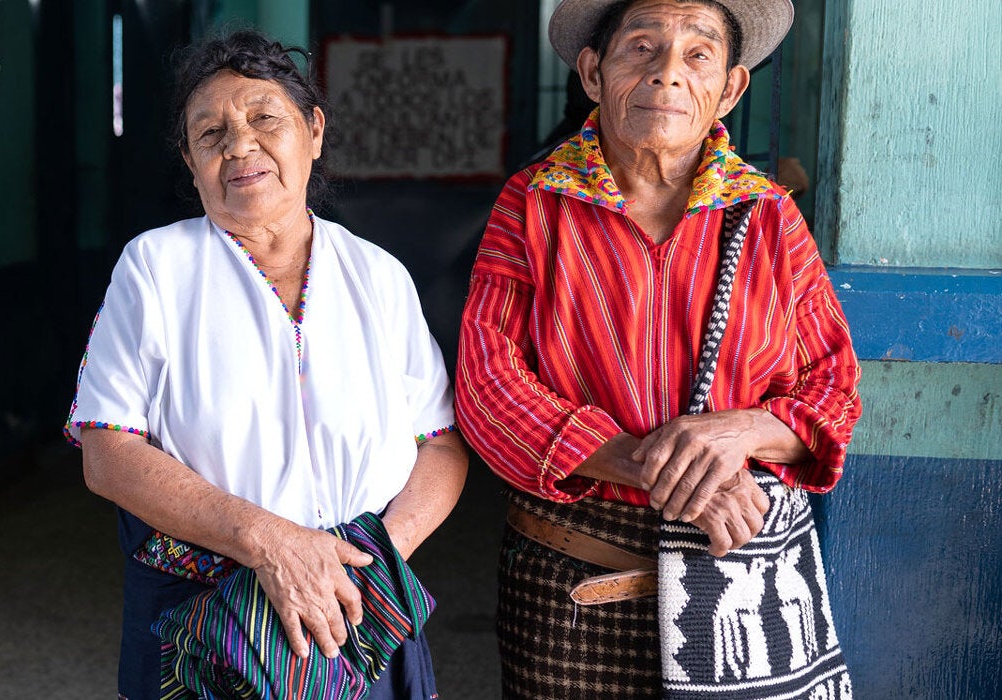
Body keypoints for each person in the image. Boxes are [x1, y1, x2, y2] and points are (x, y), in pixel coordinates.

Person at [453, 1, 861, 697]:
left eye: (697, 55)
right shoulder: (533, 205)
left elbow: (835, 388)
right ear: (593, 72)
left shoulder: (768, 216)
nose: (667, 73)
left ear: (730, 88)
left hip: (736, 573)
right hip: (571, 583)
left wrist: (744, 430)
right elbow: (488, 388)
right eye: (640, 48)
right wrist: (659, 471)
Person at [64, 30, 469, 699]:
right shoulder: (157, 268)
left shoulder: (376, 274)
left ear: (313, 130)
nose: (239, 146)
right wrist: (272, 543)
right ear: (191, 164)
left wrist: (363, 564)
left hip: (358, 606)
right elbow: (107, 451)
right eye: (211, 133)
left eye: (264, 119)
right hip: (209, 619)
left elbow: (440, 443)